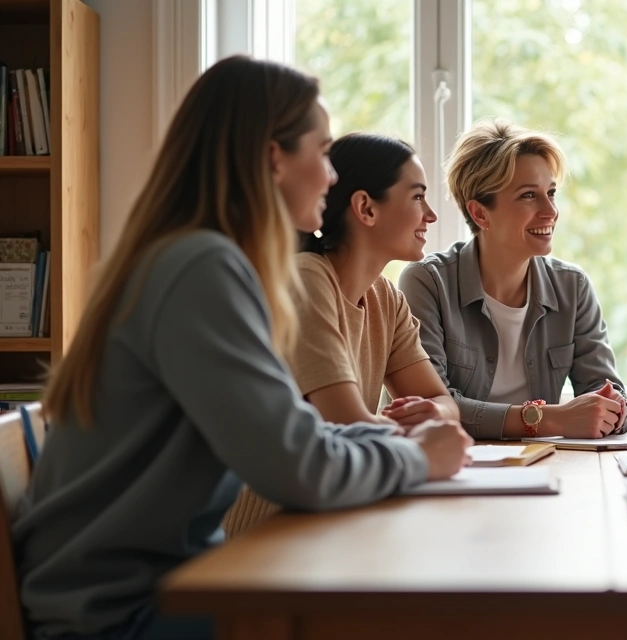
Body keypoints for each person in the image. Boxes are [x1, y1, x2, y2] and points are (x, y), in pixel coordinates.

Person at [14, 57, 471, 640]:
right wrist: (417, 457)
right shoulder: (202, 268)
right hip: (120, 613)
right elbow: (298, 467)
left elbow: (299, 439)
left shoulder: (196, 259)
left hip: (162, 586)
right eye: (322, 152)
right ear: (275, 159)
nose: (331, 176)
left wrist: (396, 442)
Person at [400, 119, 627, 440]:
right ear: (480, 213)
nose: (551, 211)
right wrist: (548, 420)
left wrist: (615, 410)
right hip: (449, 459)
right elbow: (431, 409)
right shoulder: (427, 283)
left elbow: (605, 391)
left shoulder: (573, 287)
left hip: (540, 461)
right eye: (528, 195)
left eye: (551, 193)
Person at [290, 133, 458, 429]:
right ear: (366, 208)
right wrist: (415, 430)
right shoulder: (308, 279)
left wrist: (436, 414)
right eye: (417, 197)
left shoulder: (386, 298)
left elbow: (443, 403)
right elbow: (347, 424)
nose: (430, 215)